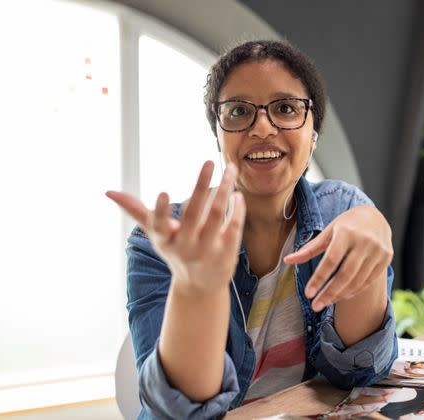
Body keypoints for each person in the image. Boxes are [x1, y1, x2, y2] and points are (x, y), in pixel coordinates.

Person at [106, 40, 398, 419]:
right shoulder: (163, 242)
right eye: (239, 111)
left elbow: (357, 373)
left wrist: (371, 243)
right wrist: (198, 289)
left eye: (286, 109)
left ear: (314, 134)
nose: (262, 127)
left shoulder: (344, 211)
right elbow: (182, 411)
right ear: (218, 134)